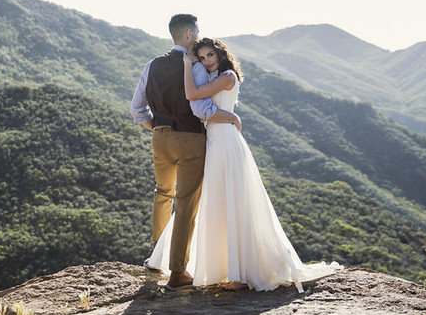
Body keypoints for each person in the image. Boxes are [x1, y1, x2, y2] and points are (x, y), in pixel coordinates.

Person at [147, 37, 342, 291]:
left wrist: (187, 64)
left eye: (210, 56)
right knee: (214, 201)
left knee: (232, 201)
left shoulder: (227, 77)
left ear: (221, 54)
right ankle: (223, 267)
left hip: (226, 142)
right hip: (213, 142)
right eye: (202, 58)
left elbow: (192, 95)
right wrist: (230, 114)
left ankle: (237, 271)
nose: (206, 61)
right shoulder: (212, 76)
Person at [130, 15, 241, 290]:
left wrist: (159, 127)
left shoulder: (151, 65)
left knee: (162, 193)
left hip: (160, 137)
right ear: (190, 34)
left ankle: (156, 257)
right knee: (186, 202)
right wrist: (231, 117)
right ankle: (178, 273)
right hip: (190, 138)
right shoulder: (195, 68)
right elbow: (201, 108)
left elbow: (136, 110)